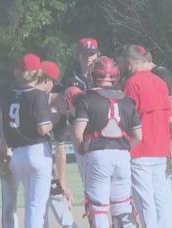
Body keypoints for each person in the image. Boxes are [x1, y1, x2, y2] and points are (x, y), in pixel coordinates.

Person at [72, 56, 142, 228]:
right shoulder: (127, 101)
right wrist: (124, 147)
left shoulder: (86, 98)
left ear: (93, 74)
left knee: (98, 207)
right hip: (122, 156)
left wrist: (82, 149)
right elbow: (138, 136)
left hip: (97, 154)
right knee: (122, 206)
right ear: (116, 76)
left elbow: (77, 133)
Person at [118, 45, 172, 228]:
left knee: (145, 200)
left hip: (141, 150)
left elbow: (127, 117)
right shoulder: (160, 82)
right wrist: (171, 139)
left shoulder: (132, 83)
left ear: (129, 63)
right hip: (161, 148)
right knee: (161, 197)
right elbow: (170, 115)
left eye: (121, 63)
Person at [1, 53, 57, 228]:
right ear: (38, 72)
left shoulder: (10, 95)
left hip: (16, 156)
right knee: (36, 206)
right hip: (37, 153)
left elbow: (3, 123)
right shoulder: (37, 95)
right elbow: (43, 128)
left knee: (28, 202)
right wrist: (57, 117)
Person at [41, 61, 78, 228]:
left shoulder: (61, 116)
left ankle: (69, 225)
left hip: (44, 159)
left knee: (54, 192)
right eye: (68, 107)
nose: (68, 111)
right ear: (63, 98)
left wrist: (62, 183)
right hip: (27, 155)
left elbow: (60, 149)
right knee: (41, 198)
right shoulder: (39, 101)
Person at [62, 37, 100, 189]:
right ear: (78, 55)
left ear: (97, 54)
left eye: (92, 53)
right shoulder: (70, 79)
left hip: (102, 133)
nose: (89, 57)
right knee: (88, 183)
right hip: (82, 135)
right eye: (85, 54)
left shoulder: (106, 75)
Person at [136, 45, 172, 154]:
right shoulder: (146, 76)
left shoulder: (161, 73)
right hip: (160, 132)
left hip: (168, 131)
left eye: (134, 62)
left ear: (143, 61)